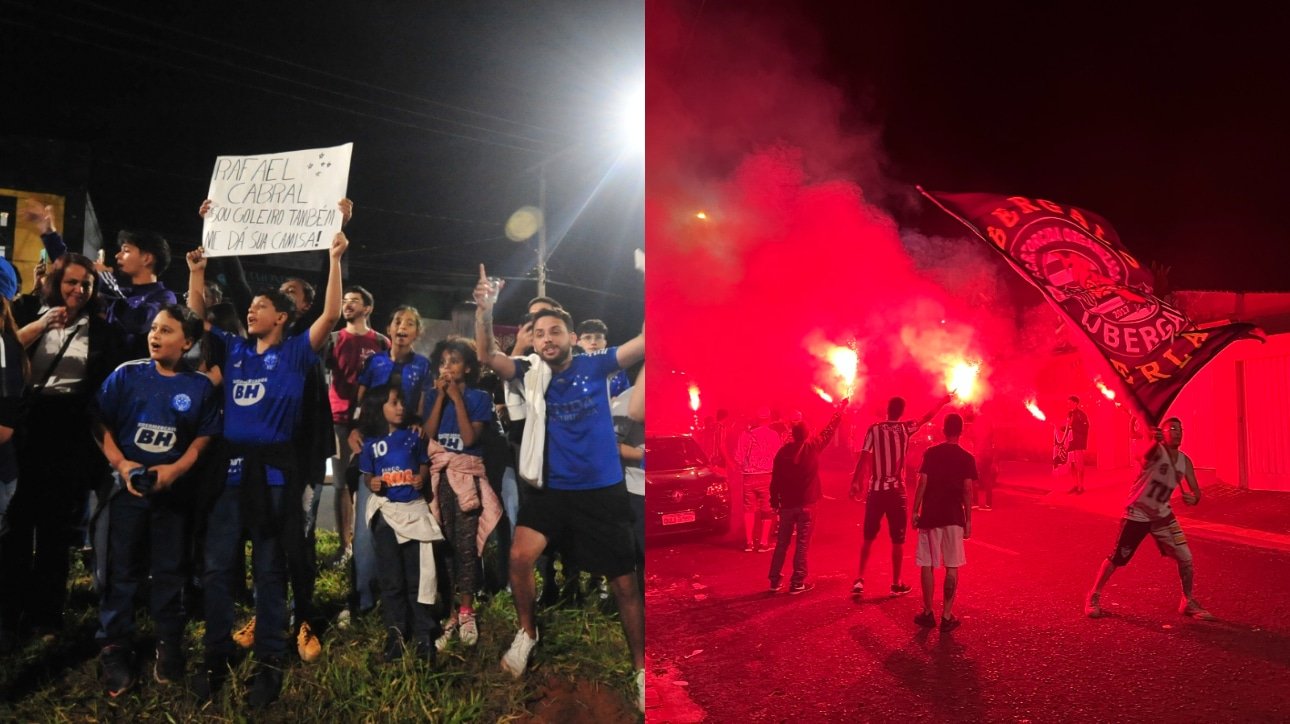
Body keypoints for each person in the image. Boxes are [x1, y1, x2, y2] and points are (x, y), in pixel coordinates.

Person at [184, 231, 346, 707]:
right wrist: (196, 272)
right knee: (217, 568)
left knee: (271, 569)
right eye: (249, 306)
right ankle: (215, 655)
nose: (250, 310)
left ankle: (269, 662)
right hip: (230, 472)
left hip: (276, 475)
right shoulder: (233, 351)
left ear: (283, 317)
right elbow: (197, 321)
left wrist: (335, 258)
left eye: (260, 306)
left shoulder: (295, 353)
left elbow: (331, 314)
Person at [473, 265, 645, 711]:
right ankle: (527, 633)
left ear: (570, 337)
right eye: (540, 332)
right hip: (551, 491)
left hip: (602, 492)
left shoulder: (597, 364)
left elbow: (648, 342)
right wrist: (484, 311)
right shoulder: (531, 372)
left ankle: (644, 668)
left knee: (625, 584)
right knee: (518, 557)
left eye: (555, 332)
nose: (547, 339)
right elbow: (488, 356)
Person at [91, 305, 220, 695]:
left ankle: (169, 642)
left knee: (170, 570)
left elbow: (204, 435)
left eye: (166, 330)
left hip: (174, 496)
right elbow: (99, 422)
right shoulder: (126, 375)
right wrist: (123, 464)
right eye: (153, 328)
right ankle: (115, 644)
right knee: (121, 569)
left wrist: (176, 470)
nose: (155, 335)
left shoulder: (199, 387)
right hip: (127, 492)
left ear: (188, 342)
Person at [3, 254, 119, 646]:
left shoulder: (100, 330)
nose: (78, 290)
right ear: (56, 282)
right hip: (22, 426)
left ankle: (47, 617)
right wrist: (39, 325)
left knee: (56, 530)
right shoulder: (23, 310)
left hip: (68, 430)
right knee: (15, 525)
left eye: (86, 285)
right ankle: (9, 612)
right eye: (71, 282)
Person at [348, 305, 433, 618]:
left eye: (410, 323)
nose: (403, 327)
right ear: (389, 327)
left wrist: (420, 425)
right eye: (398, 321)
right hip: (373, 448)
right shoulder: (374, 362)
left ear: (416, 333)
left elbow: (423, 405)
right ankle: (363, 598)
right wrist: (354, 429)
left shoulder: (422, 366)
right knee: (366, 525)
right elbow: (361, 402)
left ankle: (408, 597)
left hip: (404, 453)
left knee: (404, 525)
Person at [1084, 418, 1215, 621]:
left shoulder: (1184, 461)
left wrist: (1194, 498)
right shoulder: (1153, 451)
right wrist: (1154, 442)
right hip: (1137, 514)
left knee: (1186, 558)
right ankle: (1093, 596)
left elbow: (1196, 491)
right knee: (1118, 558)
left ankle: (1187, 601)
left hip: (1163, 516)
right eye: (1172, 428)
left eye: (1180, 429)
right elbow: (1145, 458)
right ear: (1162, 433)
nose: (1178, 432)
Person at [421, 338, 501, 650]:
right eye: (442, 362)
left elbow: (469, 438)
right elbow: (427, 436)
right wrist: (440, 399)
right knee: (445, 543)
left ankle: (467, 609)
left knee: (467, 545)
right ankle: (452, 611)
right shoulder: (431, 396)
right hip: (441, 479)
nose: (447, 368)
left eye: (454, 361)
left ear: (467, 367)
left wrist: (456, 399)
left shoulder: (479, 397)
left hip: (466, 477)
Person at [358, 385, 443, 664]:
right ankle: (395, 635)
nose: (400, 407)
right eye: (393, 403)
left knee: (419, 579)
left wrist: (422, 477)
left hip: (414, 514)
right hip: (387, 517)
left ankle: (423, 635)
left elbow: (423, 464)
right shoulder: (370, 444)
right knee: (391, 579)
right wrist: (371, 482)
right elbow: (366, 474)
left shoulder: (413, 437)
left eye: (401, 402)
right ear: (378, 407)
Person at [30, 205, 175, 363]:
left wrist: (105, 278)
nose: (118, 255)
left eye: (126, 251)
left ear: (147, 258)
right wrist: (49, 234)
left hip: (133, 376)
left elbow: (138, 322)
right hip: (101, 371)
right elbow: (71, 268)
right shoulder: (118, 289)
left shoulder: (163, 297)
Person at [850, 394, 953, 598]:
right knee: (897, 539)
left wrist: (856, 480)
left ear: (888, 410)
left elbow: (864, 454)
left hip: (876, 490)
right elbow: (927, 417)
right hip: (896, 491)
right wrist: (943, 401)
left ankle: (859, 579)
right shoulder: (905, 428)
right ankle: (896, 583)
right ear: (901, 412)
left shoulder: (874, 429)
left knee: (868, 537)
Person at [323, 287, 389, 569]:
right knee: (341, 485)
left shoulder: (381, 342)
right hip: (338, 419)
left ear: (368, 308)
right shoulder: (333, 338)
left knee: (373, 481)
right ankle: (345, 545)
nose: (347, 305)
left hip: (373, 423)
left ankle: (373, 541)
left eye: (354, 301)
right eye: (345, 301)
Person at [767, 402, 847, 595]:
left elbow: (775, 479)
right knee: (802, 543)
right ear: (806, 434)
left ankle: (774, 581)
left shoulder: (782, 452)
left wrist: (774, 500)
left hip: (786, 505)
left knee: (782, 543)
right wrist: (840, 411)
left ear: (793, 435)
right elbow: (828, 431)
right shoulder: (813, 448)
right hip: (807, 504)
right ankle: (797, 583)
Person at [910, 414, 976, 631]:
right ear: (961, 431)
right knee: (952, 565)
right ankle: (947, 616)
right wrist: (968, 520)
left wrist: (915, 509)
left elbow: (922, 482)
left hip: (931, 516)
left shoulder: (931, 453)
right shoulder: (967, 458)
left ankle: (928, 612)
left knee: (927, 564)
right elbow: (967, 490)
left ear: (943, 430)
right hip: (954, 517)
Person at [735, 408, 783, 553]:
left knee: (749, 509)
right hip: (767, 476)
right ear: (768, 419)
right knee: (766, 510)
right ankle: (763, 543)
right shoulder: (774, 435)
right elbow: (778, 457)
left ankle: (749, 543)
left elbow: (738, 457)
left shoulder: (745, 435)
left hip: (749, 476)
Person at [1061, 395, 1090, 494]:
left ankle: (1081, 487)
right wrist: (1062, 428)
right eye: (1068, 402)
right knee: (1072, 465)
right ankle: (1075, 485)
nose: (1068, 404)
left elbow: (1086, 427)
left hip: (1078, 442)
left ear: (1076, 403)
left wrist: (1073, 427)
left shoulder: (1081, 414)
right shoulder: (1069, 414)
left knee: (1079, 465)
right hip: (1070, 443)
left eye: (1070, 402)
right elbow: (1068, 427)